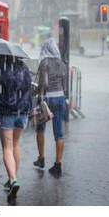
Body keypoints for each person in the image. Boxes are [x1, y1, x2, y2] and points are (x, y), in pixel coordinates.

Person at [0, 54, 32, 202]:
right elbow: (28, 87)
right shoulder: (23, 67)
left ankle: (13, 180)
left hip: (6, 111)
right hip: (22, 111)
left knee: (7, 148)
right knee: (15, 144)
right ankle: (13, 178)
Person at [33, 37, 68, 175]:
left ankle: (41, 159)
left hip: (47, 99)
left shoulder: (44, 63)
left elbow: (44, 84)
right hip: (60, 98)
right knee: (59, 132)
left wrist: (40, 97)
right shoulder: (62, 64)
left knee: (40, 129)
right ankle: (58, 164)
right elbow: (65, 86)